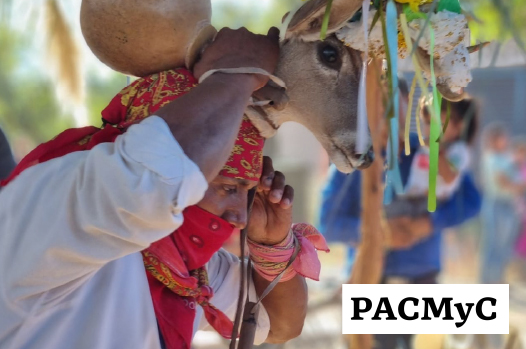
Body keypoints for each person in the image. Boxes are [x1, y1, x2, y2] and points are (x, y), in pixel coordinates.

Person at [0, 27, 328, 349]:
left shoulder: (180, 263)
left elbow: (281, 324)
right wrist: (235, 74)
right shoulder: (54, 214)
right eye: (227, 187)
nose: (241, 217)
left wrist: (272, 244)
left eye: (247, 189)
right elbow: (155, 176)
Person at [319, 81, 481, 349]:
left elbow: (472, 201)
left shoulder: (429, 152)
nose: (388, 116)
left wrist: (428, 223)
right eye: (379, 107)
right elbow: (329, 225)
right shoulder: (349, 162)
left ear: (409, 110)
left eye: (396, 108)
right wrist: (379, 234)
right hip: (368, 286)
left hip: (421, 282)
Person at [387, 96, 479, 218]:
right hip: (410, 198)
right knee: (384, 214)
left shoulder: (459, 151)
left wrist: (436, 151)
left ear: (458, 127)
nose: (431, 129)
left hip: (432, 204)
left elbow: (449, 176)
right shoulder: (423, 146)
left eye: (439, 124)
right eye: (427, 123)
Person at [480, 124, 526, 284]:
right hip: (497, 204)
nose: (505, 141)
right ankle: (488, 282)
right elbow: (503, 181)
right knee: (494, 244)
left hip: (509, 204)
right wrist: (519, 186)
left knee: (504, 246)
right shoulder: (492, 158)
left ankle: (497, 279)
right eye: (501, 138)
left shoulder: (505, 157)